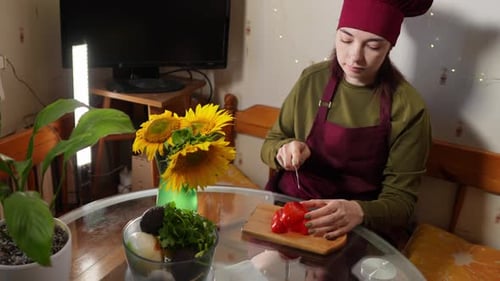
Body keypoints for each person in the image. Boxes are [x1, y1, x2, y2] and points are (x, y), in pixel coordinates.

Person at [261, 0, 433, 246]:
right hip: (290, 210)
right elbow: (270, 144)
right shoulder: (312, 80)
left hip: (357, 230)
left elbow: (401, 203)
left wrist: (359, 211)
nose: (355, 56)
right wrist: (283, 149)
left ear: (389, 46)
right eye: (346, 39)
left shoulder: (409, 108)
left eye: (373, 45)